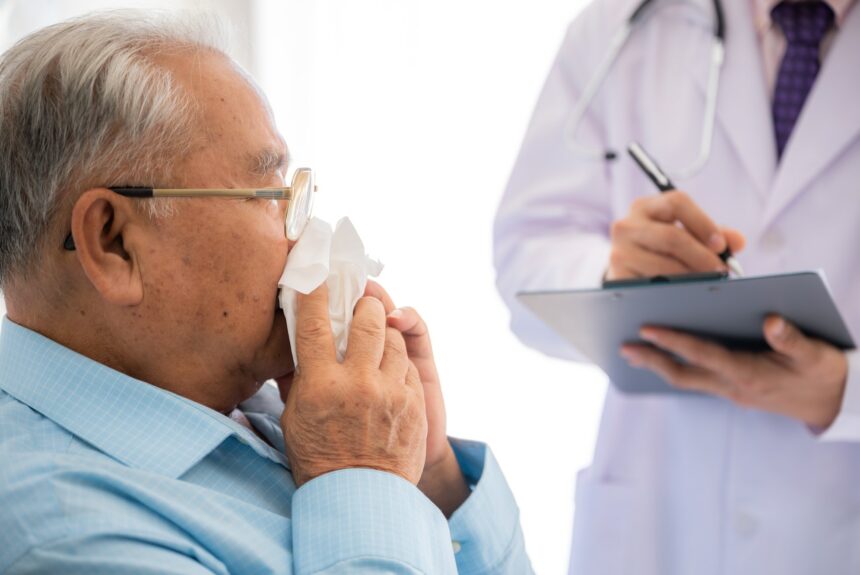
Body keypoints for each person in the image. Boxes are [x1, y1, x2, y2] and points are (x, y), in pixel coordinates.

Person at [0, 12, 532, 574]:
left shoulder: (264, 402)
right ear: (115, 243)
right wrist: (363, 479)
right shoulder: (64, 533)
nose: (305, 234)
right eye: (269, 193)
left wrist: (426, 476)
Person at [495, 0, 859, 573]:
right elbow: (526, 257)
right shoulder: (622, 24)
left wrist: (846, 394)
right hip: (655, 520)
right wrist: (615, 277)